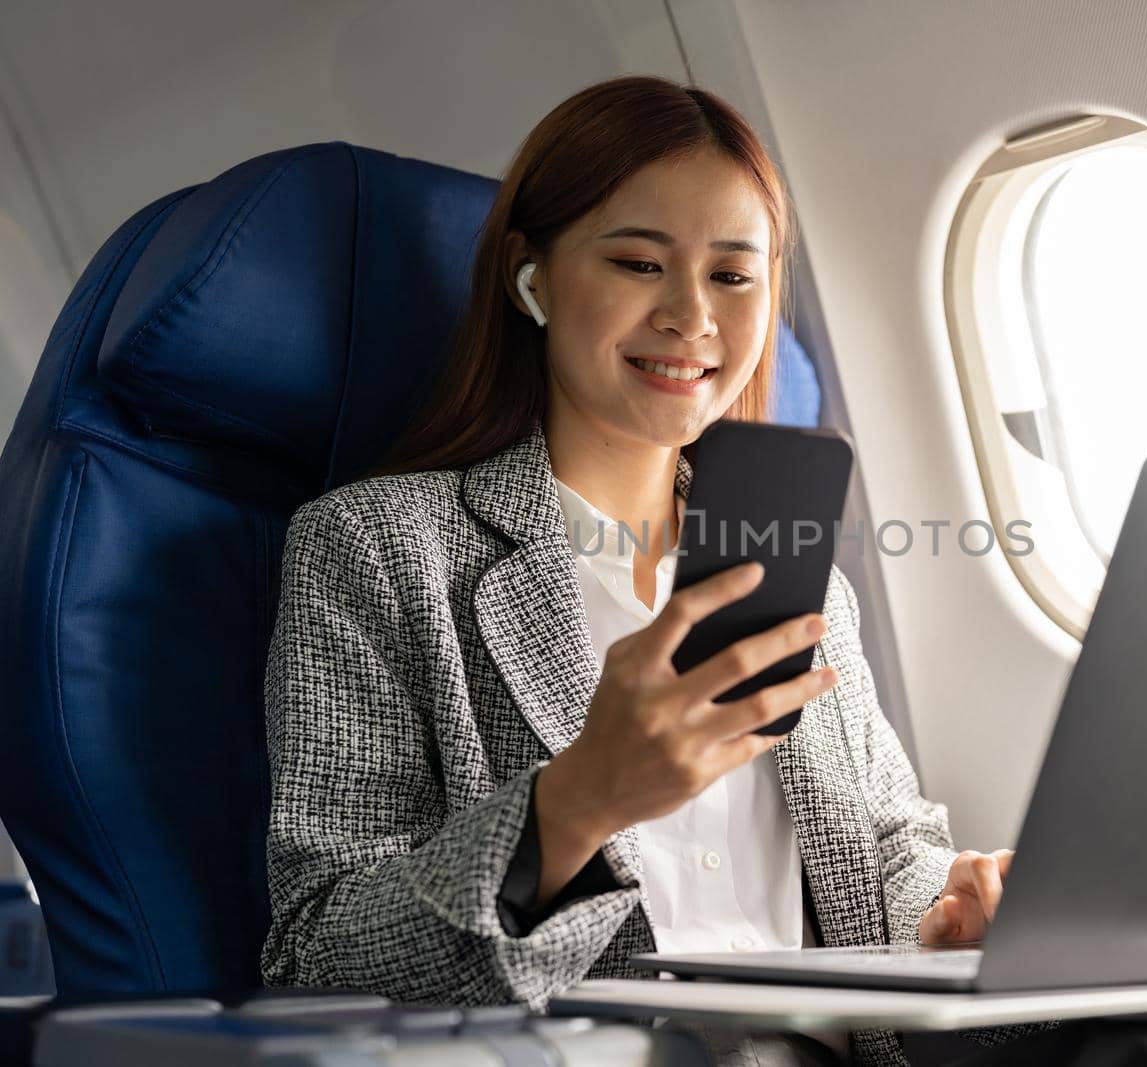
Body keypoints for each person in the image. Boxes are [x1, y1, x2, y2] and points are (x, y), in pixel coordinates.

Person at [259, 75, 1015, 1067]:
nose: (693, 316)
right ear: (531, 277)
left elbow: (880, 850)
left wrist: (953, 913)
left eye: (733, 277)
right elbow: (321, 949)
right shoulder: (376, 549)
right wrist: (577, 801)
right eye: (637, 262)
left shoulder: (794, 568)